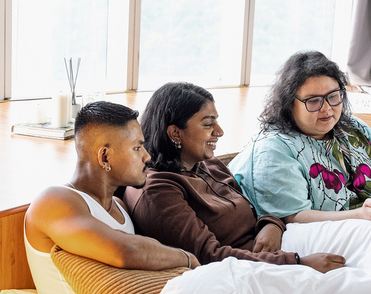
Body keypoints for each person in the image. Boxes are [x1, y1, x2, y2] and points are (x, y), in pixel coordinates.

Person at [229, 51, 371, 253]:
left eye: (333, 96)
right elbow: (293, 217)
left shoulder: (355, 128)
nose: (327, 108)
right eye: (313, 101)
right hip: (313, 230)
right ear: (290, 104)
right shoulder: (274, 148)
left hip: (368, 216)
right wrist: (361, 216)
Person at [123, 82, 346, 273]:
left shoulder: (205, 162)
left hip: (275, 248)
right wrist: (298, 263)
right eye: (208, 124)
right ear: (175, 133)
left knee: (370, 235)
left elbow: (254, 207)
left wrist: (272, 225)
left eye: (216, 121)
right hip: (249, 270)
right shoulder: (157, 191)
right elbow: (209, 256)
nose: (219, 131)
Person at [25, 100, 200, 271]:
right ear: (105, 157)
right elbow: (126, 251)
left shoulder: (119, 207)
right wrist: (188, 259)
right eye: (137, 148)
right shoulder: (53, 201)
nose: (147, 157)